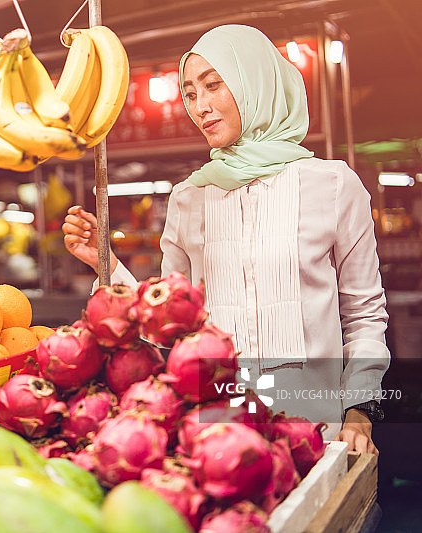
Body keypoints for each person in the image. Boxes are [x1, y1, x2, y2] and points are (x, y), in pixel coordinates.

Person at [62, 24, 389, 455]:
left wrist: (359, 409)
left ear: (255, 81)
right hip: (219, 436)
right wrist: (105, 262)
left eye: (213, 85)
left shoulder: (332, 185)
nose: (200, 106)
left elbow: (363, 312)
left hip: (316, 430)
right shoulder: (188, 198)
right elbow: (166, 326)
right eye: (191, 94)